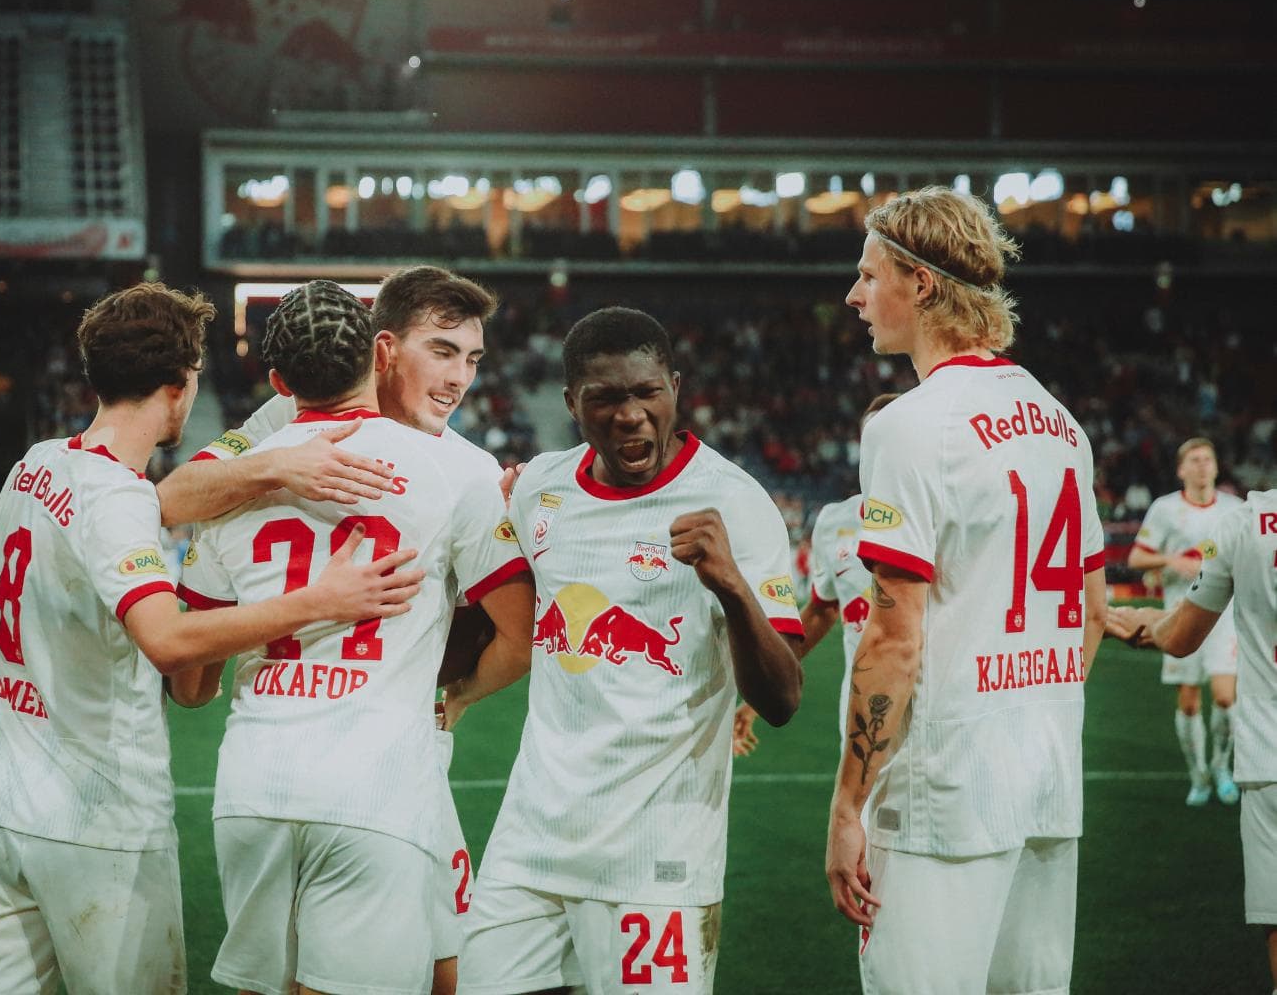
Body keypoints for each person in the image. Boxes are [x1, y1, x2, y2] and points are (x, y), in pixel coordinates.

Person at [0, 282, 423, 995]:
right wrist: (318, 600)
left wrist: (43, 715)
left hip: (2, 816)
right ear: (181, 383)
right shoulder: (119, 497)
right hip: (102, 822)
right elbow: (168, 643)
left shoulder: (34, 466)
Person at [172, 280, 534, 995]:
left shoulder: (262, 450)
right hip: (381, 780)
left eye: (472, 357)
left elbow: (189, 678)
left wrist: (267, 471)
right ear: (383, 351)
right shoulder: (457, 472)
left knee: (438, 971)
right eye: (442, 351)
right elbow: (522, 636)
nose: (459, 375)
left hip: (257, 777)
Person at [456, 306, 805, 995]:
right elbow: (492, 611)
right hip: (532, 843)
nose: (631, 415)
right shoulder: (537, 490)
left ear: (675, 387)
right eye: (606, 398)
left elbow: (783, 698)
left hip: (657, 860)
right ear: (571, 404)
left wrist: (732, 586)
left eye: (647, 392)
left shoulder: (735, 501)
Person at [824, 187, 1107, 995]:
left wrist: (850, 805)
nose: (855, 296)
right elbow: (1089, 613)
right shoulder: (1061, 423)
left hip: (943, 790)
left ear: (921, 284)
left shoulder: (910, 426)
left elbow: (893, 638)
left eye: (869, 274)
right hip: (1047, 777)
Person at [1106, 487, 1277, 995]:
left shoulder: (1243, 522)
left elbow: (1179, 636)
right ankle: (1206, 776)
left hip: (1270, 759)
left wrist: (1134, 625)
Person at [733, 393, 899, 757]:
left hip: (938, 707)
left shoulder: (949, 518)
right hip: (862, 712)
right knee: (858, 815)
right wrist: (762, 693)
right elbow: (822, 610)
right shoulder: (836, 521)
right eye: (872, 440)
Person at [1126, 438, 1244, 805]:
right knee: (1190, 701)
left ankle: (1222, 766)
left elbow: (1229, 549)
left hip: (1225, 614)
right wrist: (1171, 561)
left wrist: (1209, 558)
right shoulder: (1164, 509)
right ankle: (1199, 775)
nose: (1201, 466)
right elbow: (1136, 559)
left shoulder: (1235, 508)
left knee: (1226, 697)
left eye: (1207, 459)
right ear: (1181, 470)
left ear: (1216, 466)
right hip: (1179, 612)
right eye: (1193, 460)